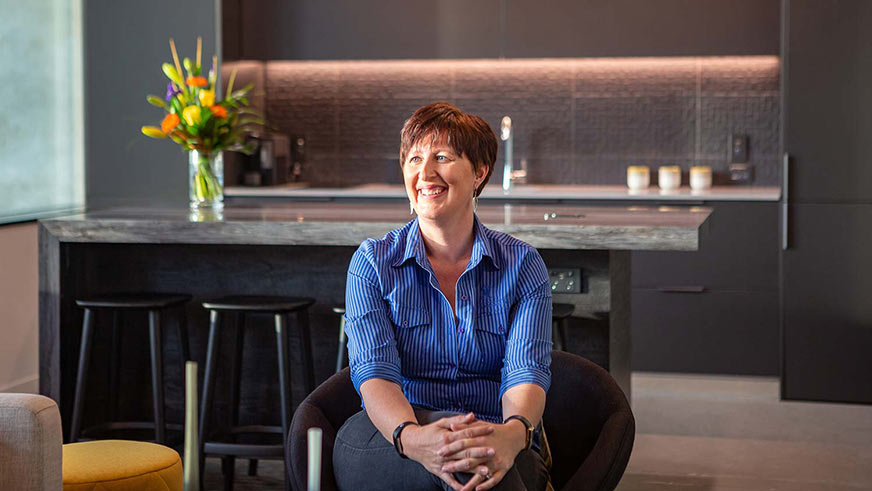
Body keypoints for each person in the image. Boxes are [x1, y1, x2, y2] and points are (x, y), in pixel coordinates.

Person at [333, 102, 552, 491]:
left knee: (477, 465)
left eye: (442, 157)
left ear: (479, 172)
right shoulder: (372, 263)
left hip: (492, 430)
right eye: (415, 158)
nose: (425, 173)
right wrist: (415, 438)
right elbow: (375, 373)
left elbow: (526, 371)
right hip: (392, 433)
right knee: (466, 467)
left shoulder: (522, 265)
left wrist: (513, 434)